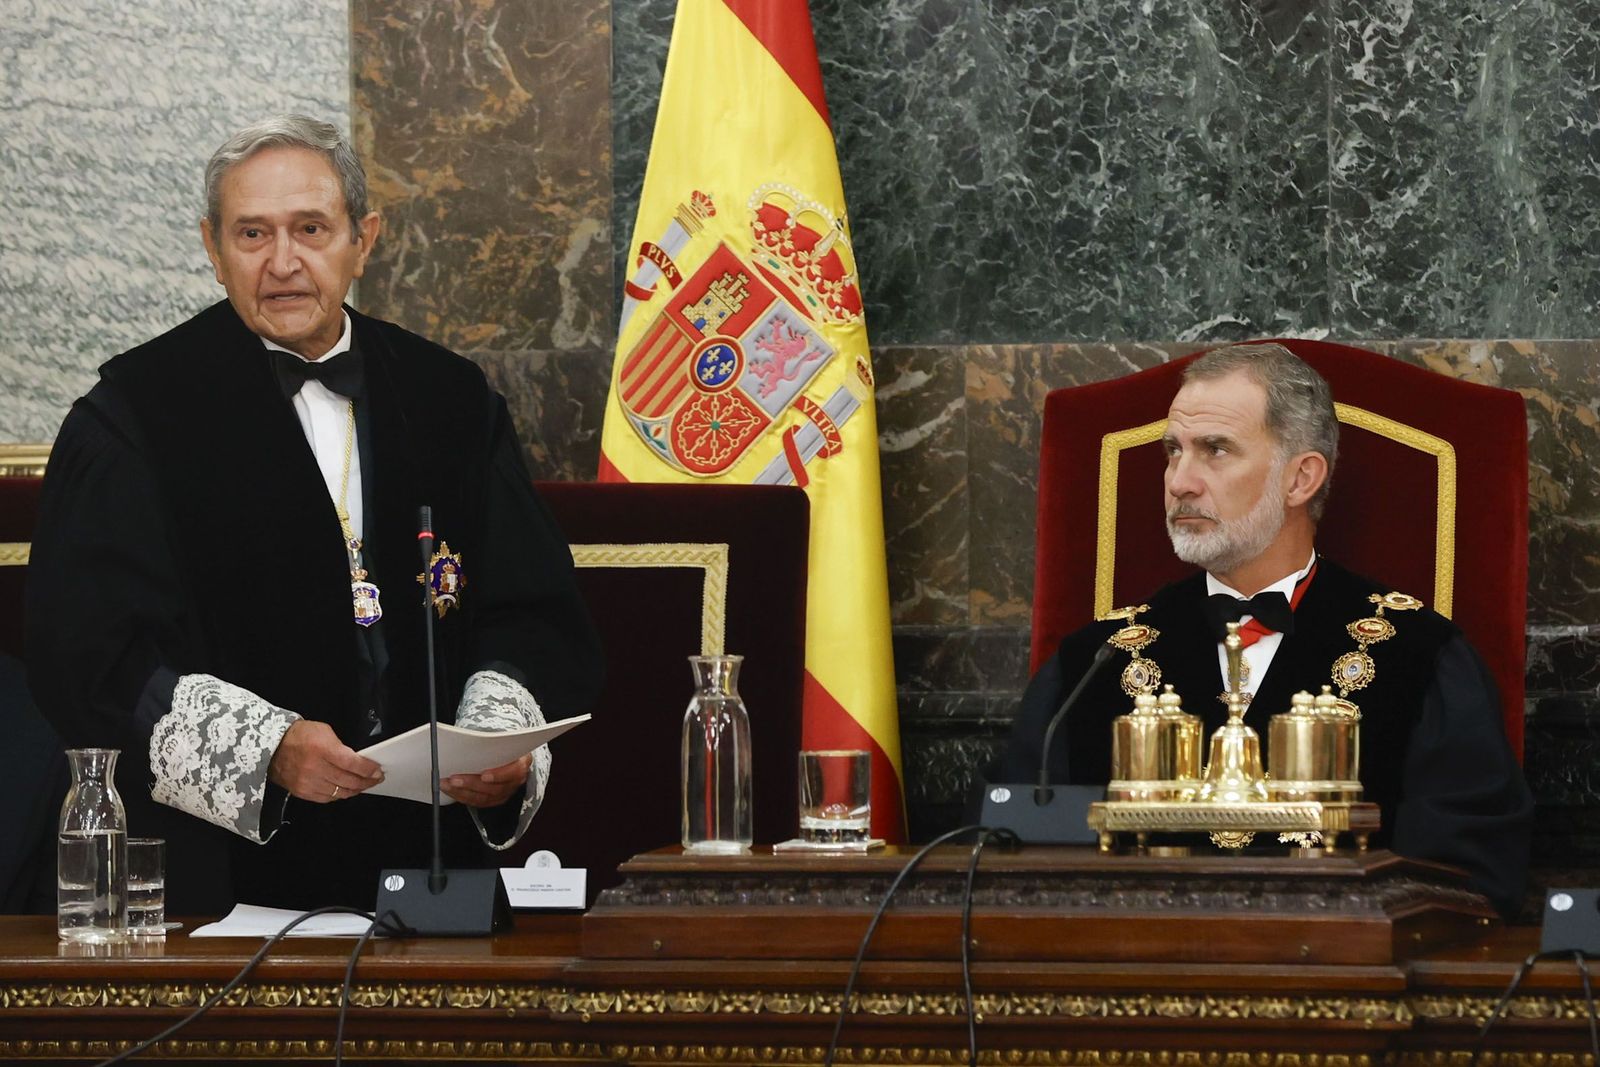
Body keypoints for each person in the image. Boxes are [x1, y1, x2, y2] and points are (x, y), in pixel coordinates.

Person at [26, 115, 602, 915]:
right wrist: (267, 751)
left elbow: (530, 610)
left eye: (311, 228)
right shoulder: (132, 417)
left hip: (428, 868)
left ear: (362, 240)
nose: (283, 262)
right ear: (211, 246)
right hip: (223, 883)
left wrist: (492, 746)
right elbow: (88, 653)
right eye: (252, 233)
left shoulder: (451, 402)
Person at [995, 343, 1533, 917]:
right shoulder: (1092, 662)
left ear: (1301, 478)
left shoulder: (1419, 656)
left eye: (1216, 450)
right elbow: (1013, 863)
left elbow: (1468, 879)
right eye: (1173, 452)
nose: (1180, 481)